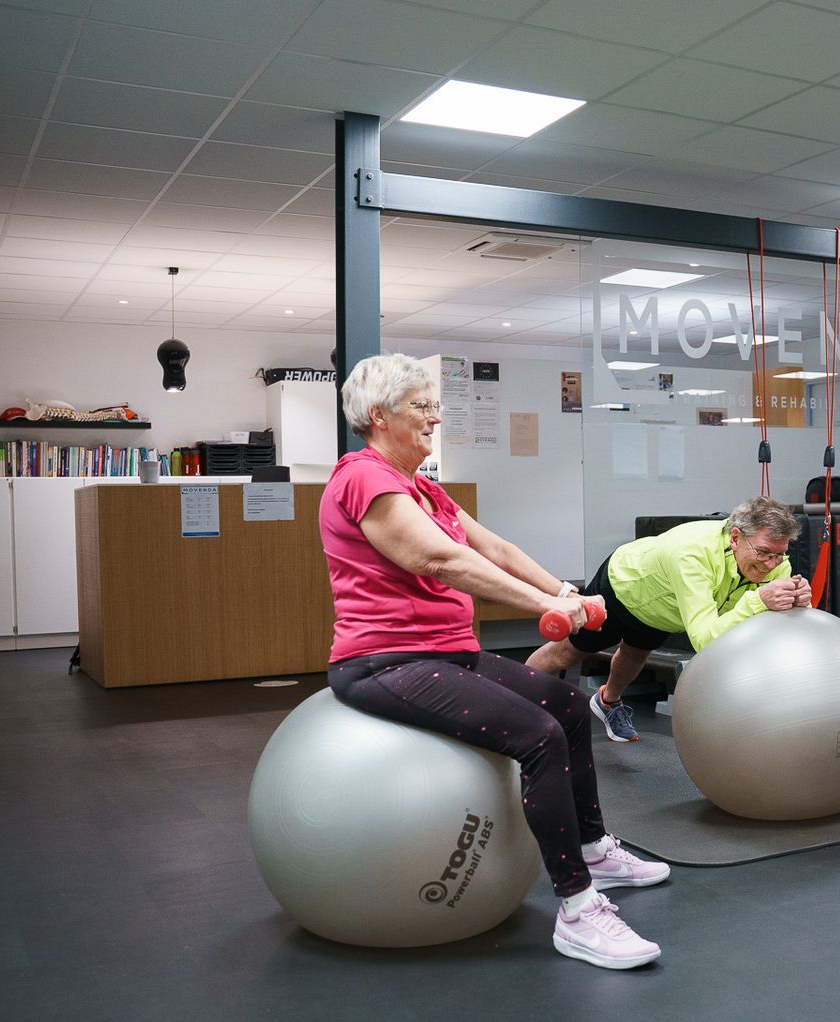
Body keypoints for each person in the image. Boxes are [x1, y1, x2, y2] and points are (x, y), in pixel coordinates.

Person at [318, 353, 669, 970]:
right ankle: (578, 909)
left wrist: (562, 592)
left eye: (435, 405)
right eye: (420, 406)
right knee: (537, 737)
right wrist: (543, 605)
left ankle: (593, 851)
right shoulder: (362, 476)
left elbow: (493, 548)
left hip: (450, 653)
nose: (435, 417)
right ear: (377, 416)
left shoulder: (422, 485)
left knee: (566, 707)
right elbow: (439, 561)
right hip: (385, 662)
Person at [524, 498, 809, 742]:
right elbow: (704, 641)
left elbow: (772, 623)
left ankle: (607, 701)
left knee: (636, 654)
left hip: (666, 609)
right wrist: (759, 600)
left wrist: (797, 600)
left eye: (779, 554)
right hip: (625, 587)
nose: (771, 564)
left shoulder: (776, 561)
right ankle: (516, 703)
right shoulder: (692, 554)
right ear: (735, 538)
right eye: (763, 553)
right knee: (568, 652)